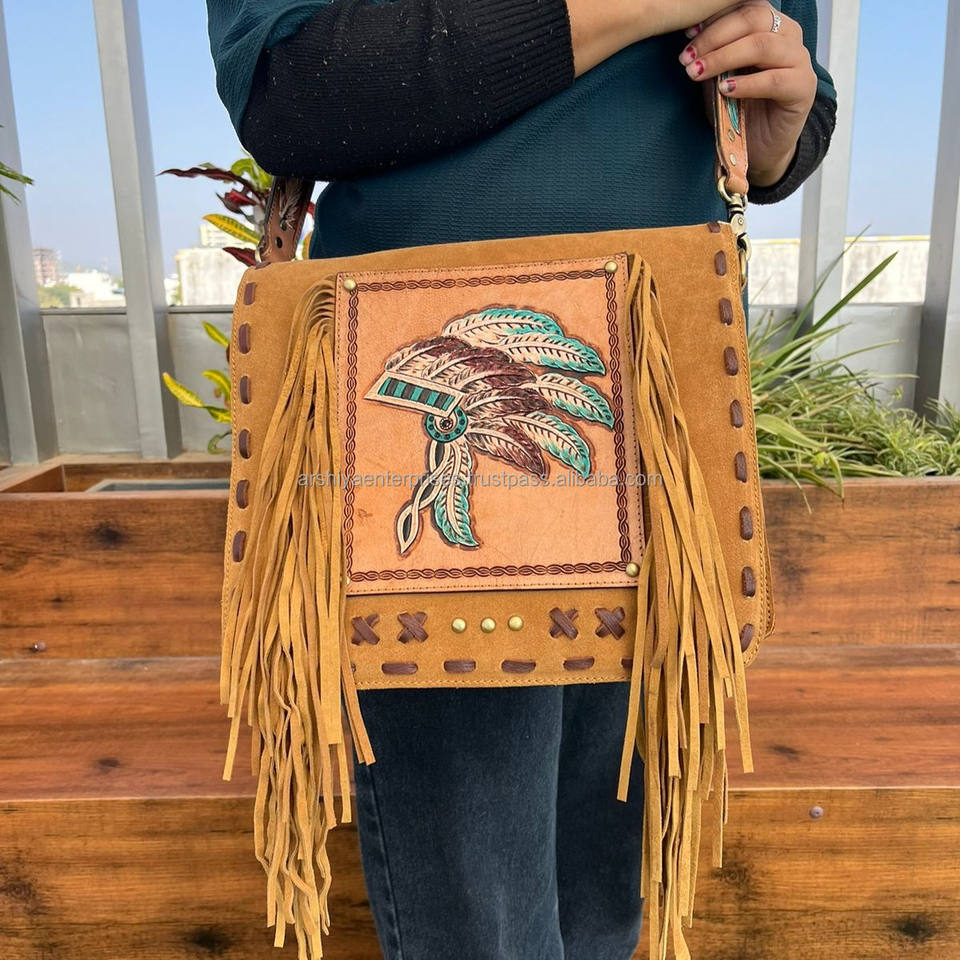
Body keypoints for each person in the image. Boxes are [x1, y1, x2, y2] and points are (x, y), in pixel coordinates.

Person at [206, 2, 836, 958]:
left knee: (605, 884)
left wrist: (781, 115)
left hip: (659, 388)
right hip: (411, 355)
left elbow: (789, 79)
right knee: (481, 913)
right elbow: (290, 89)